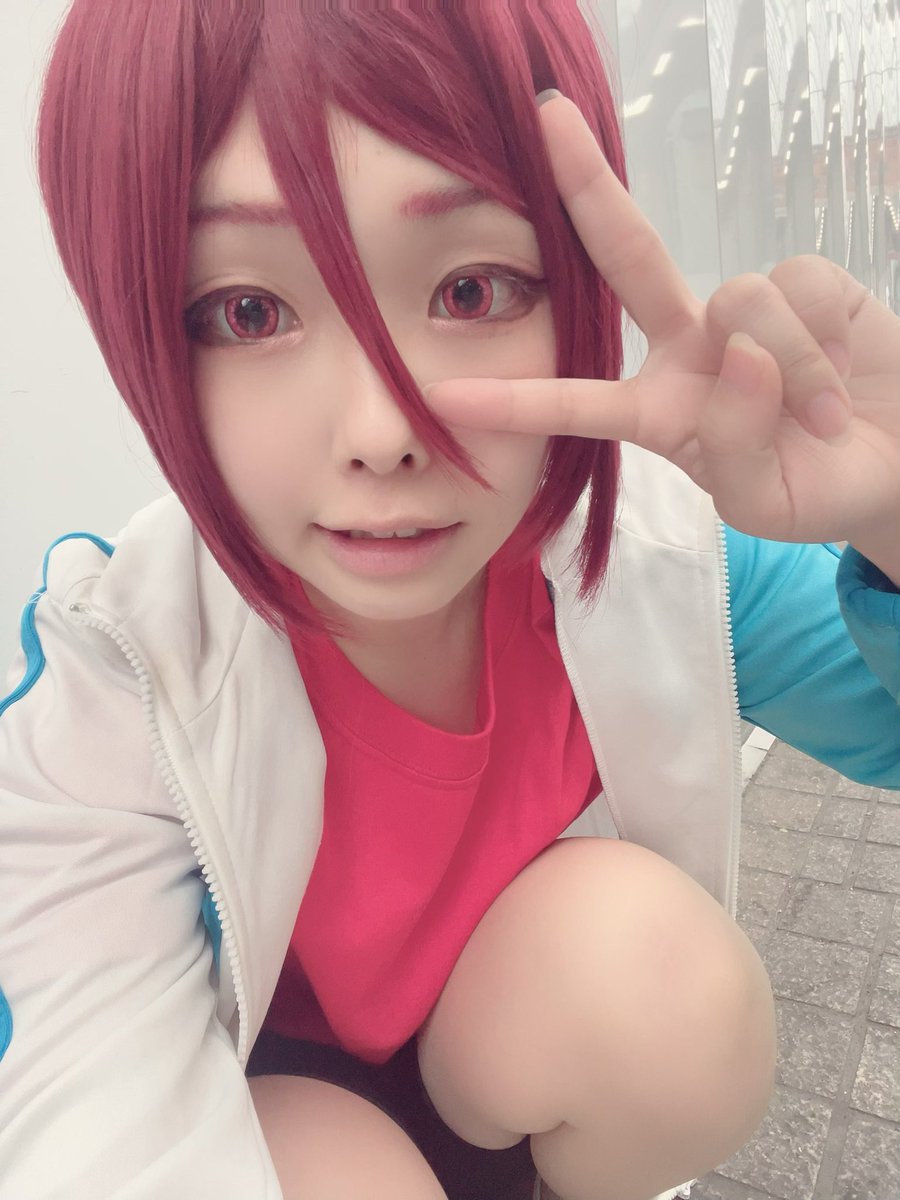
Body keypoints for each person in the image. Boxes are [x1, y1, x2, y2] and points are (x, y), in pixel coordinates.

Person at [0, 3, 897, 1199]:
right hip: (265, 1126)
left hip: (517, 1090)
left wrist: (891, 517)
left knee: (665, 994)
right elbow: (83, 1106)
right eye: (249, 312)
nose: (383, 431)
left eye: (472, 291)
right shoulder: (118, 672)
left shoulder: (653, 552)